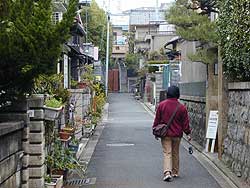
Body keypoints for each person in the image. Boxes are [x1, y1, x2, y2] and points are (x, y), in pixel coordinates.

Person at [152, 85, 191, 182]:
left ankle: (167, 172)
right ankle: (175, 172)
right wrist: (188, 133)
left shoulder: (162, 105)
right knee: (175, 152)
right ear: (178, 94)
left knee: (167, 152)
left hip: (165, 134)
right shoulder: (182, 107)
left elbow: (157, 120)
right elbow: (185, 123)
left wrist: (155, 131)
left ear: (168, 93)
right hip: (177, 135)